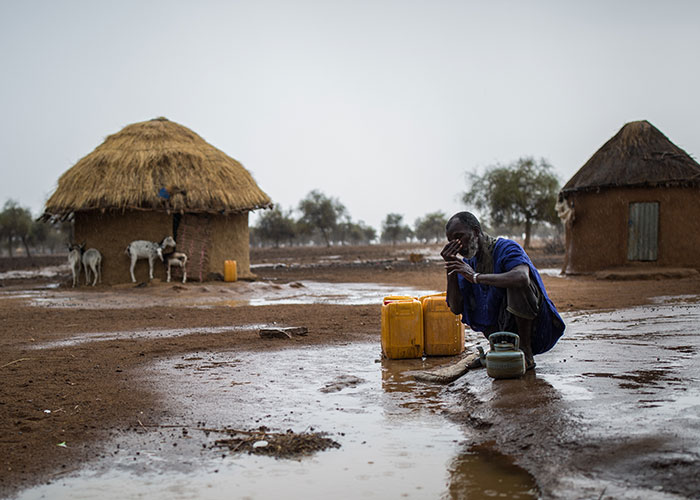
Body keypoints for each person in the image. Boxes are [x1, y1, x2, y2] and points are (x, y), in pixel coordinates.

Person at [441, 211, 565, 369]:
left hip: (537, 331)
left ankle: (526, 353)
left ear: (476, 232)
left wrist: (476, 277)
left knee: (517, 283)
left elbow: (521, 277)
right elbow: (455, 307)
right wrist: (451, 267)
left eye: (459, 237)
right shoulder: (467, 263)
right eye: (451, 241)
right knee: (470, 295)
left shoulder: (505, 248)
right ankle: (497, 349)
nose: (457, 245)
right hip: (502, 330)